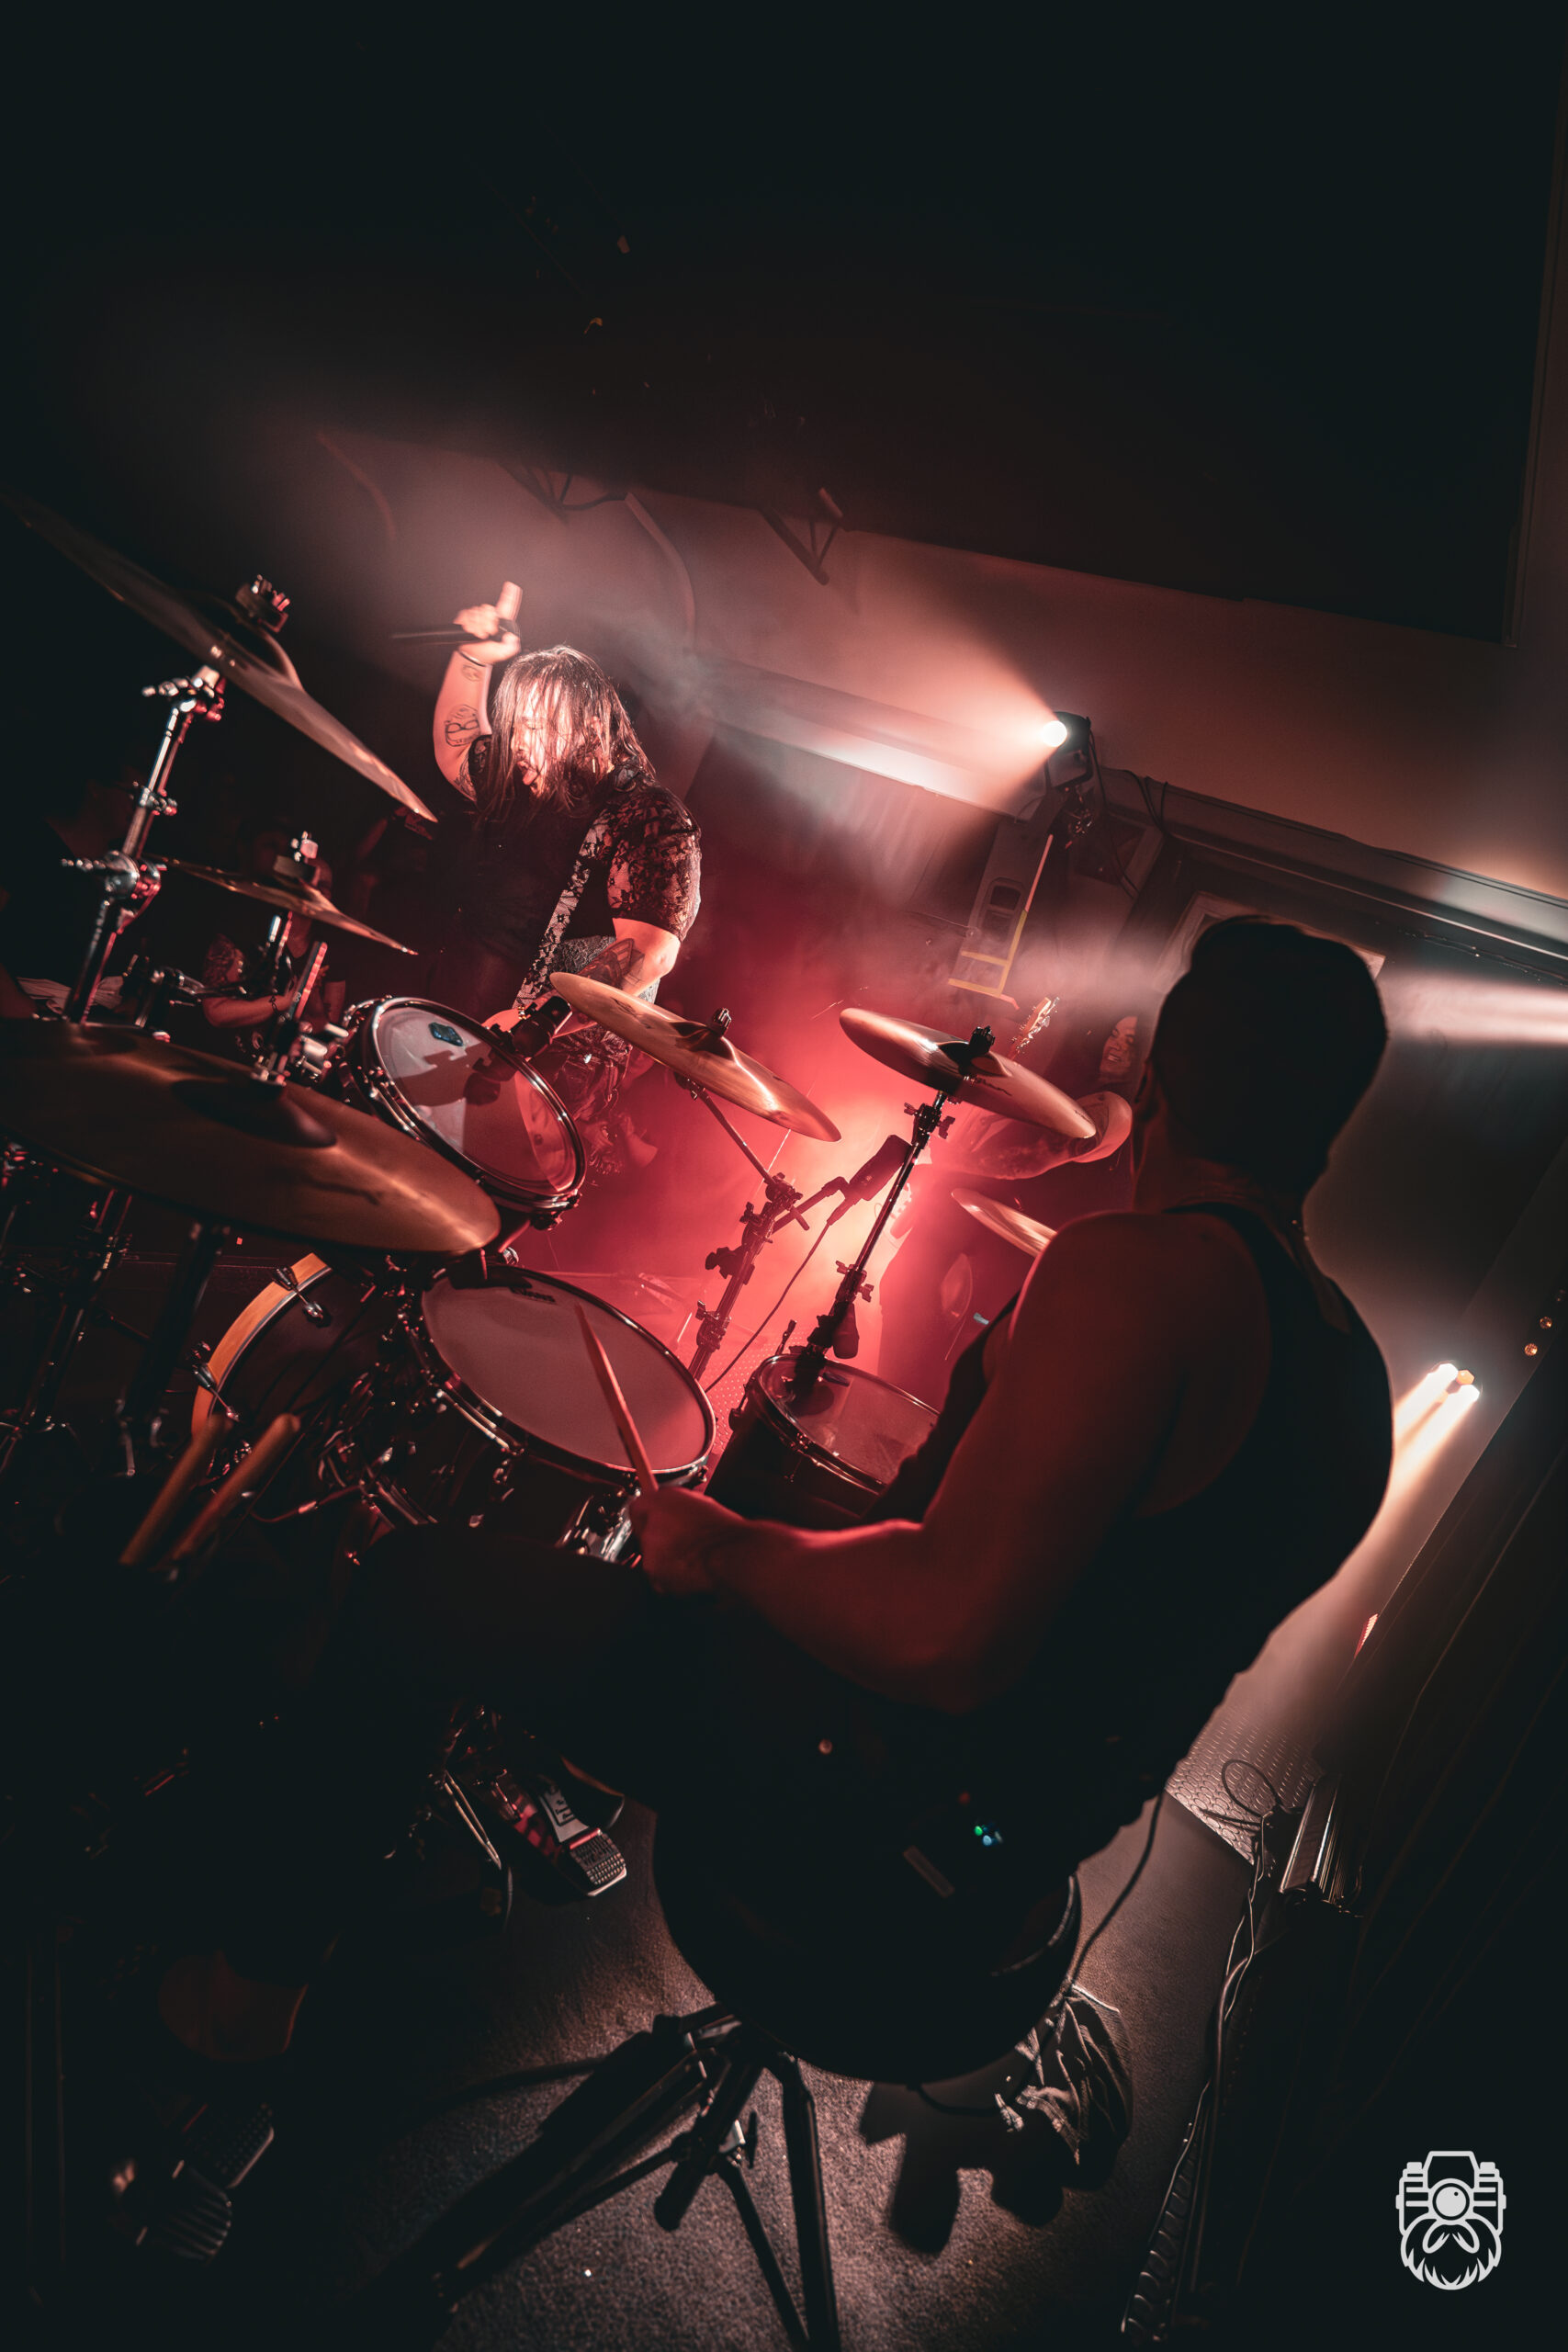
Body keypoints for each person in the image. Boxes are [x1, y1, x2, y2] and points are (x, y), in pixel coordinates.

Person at [156, 920, 1391, 2064]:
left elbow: (944, 1635)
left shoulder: (1135, 1271)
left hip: (850, 1830)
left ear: (1158, 1089)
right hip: (997, 1883)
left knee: (417, 1590)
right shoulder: (1351, 1380)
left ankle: (244, 2004)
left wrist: (726, 1549)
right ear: (1329, 1128)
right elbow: (1111, 1594)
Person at [424, 584, 701, 1136]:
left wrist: (538, 1021)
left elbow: (647, 951)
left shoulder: (648, 816)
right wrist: (473, 657)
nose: (517, 743)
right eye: (515, 727)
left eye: (535, 728)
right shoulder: (524, 779)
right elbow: (456, 747)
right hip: (461, 1022)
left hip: (549, 1067)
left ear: (589, 730)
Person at [876, 1004, 1142, 1402]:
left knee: (930, 1314)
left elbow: (1029, 1162)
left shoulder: (1114, 1109)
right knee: (902, 1290)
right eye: (1114, 1035)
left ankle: (901, 1409)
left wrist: (944, 1167)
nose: (1116, 1046)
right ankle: (888, 1402)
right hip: (975, 1217)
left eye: (1130, 1042)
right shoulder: (1077, 1086)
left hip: (1007, 1242)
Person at [0, 752, 147, 1014]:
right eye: (132, 794)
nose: (139, 807)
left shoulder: (126, 870)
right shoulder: (28, 845)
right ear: (95, 789)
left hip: (91, 1023)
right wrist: (17, 1007)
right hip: (26, 1020)